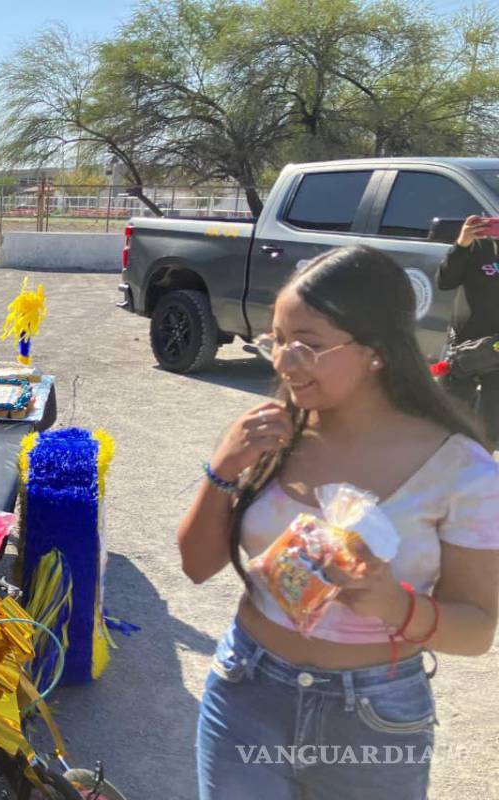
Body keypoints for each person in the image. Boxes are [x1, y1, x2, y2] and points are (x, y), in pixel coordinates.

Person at [177, 246, 499, 799]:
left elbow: (476, 631)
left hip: (374, 716)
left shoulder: (461, 470)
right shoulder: (275, 435)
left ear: (376, 351)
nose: (282, 361)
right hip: (245, 690)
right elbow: (196, 566)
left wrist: (391, 605)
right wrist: (224, 469)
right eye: (276, 339)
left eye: (308, 345)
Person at [435, 215, 499, 440]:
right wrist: (462, 244)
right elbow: (445, 282)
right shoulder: (478, 245)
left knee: (491, 426)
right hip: (465, 346)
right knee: (447, 420)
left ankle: (481, 472)